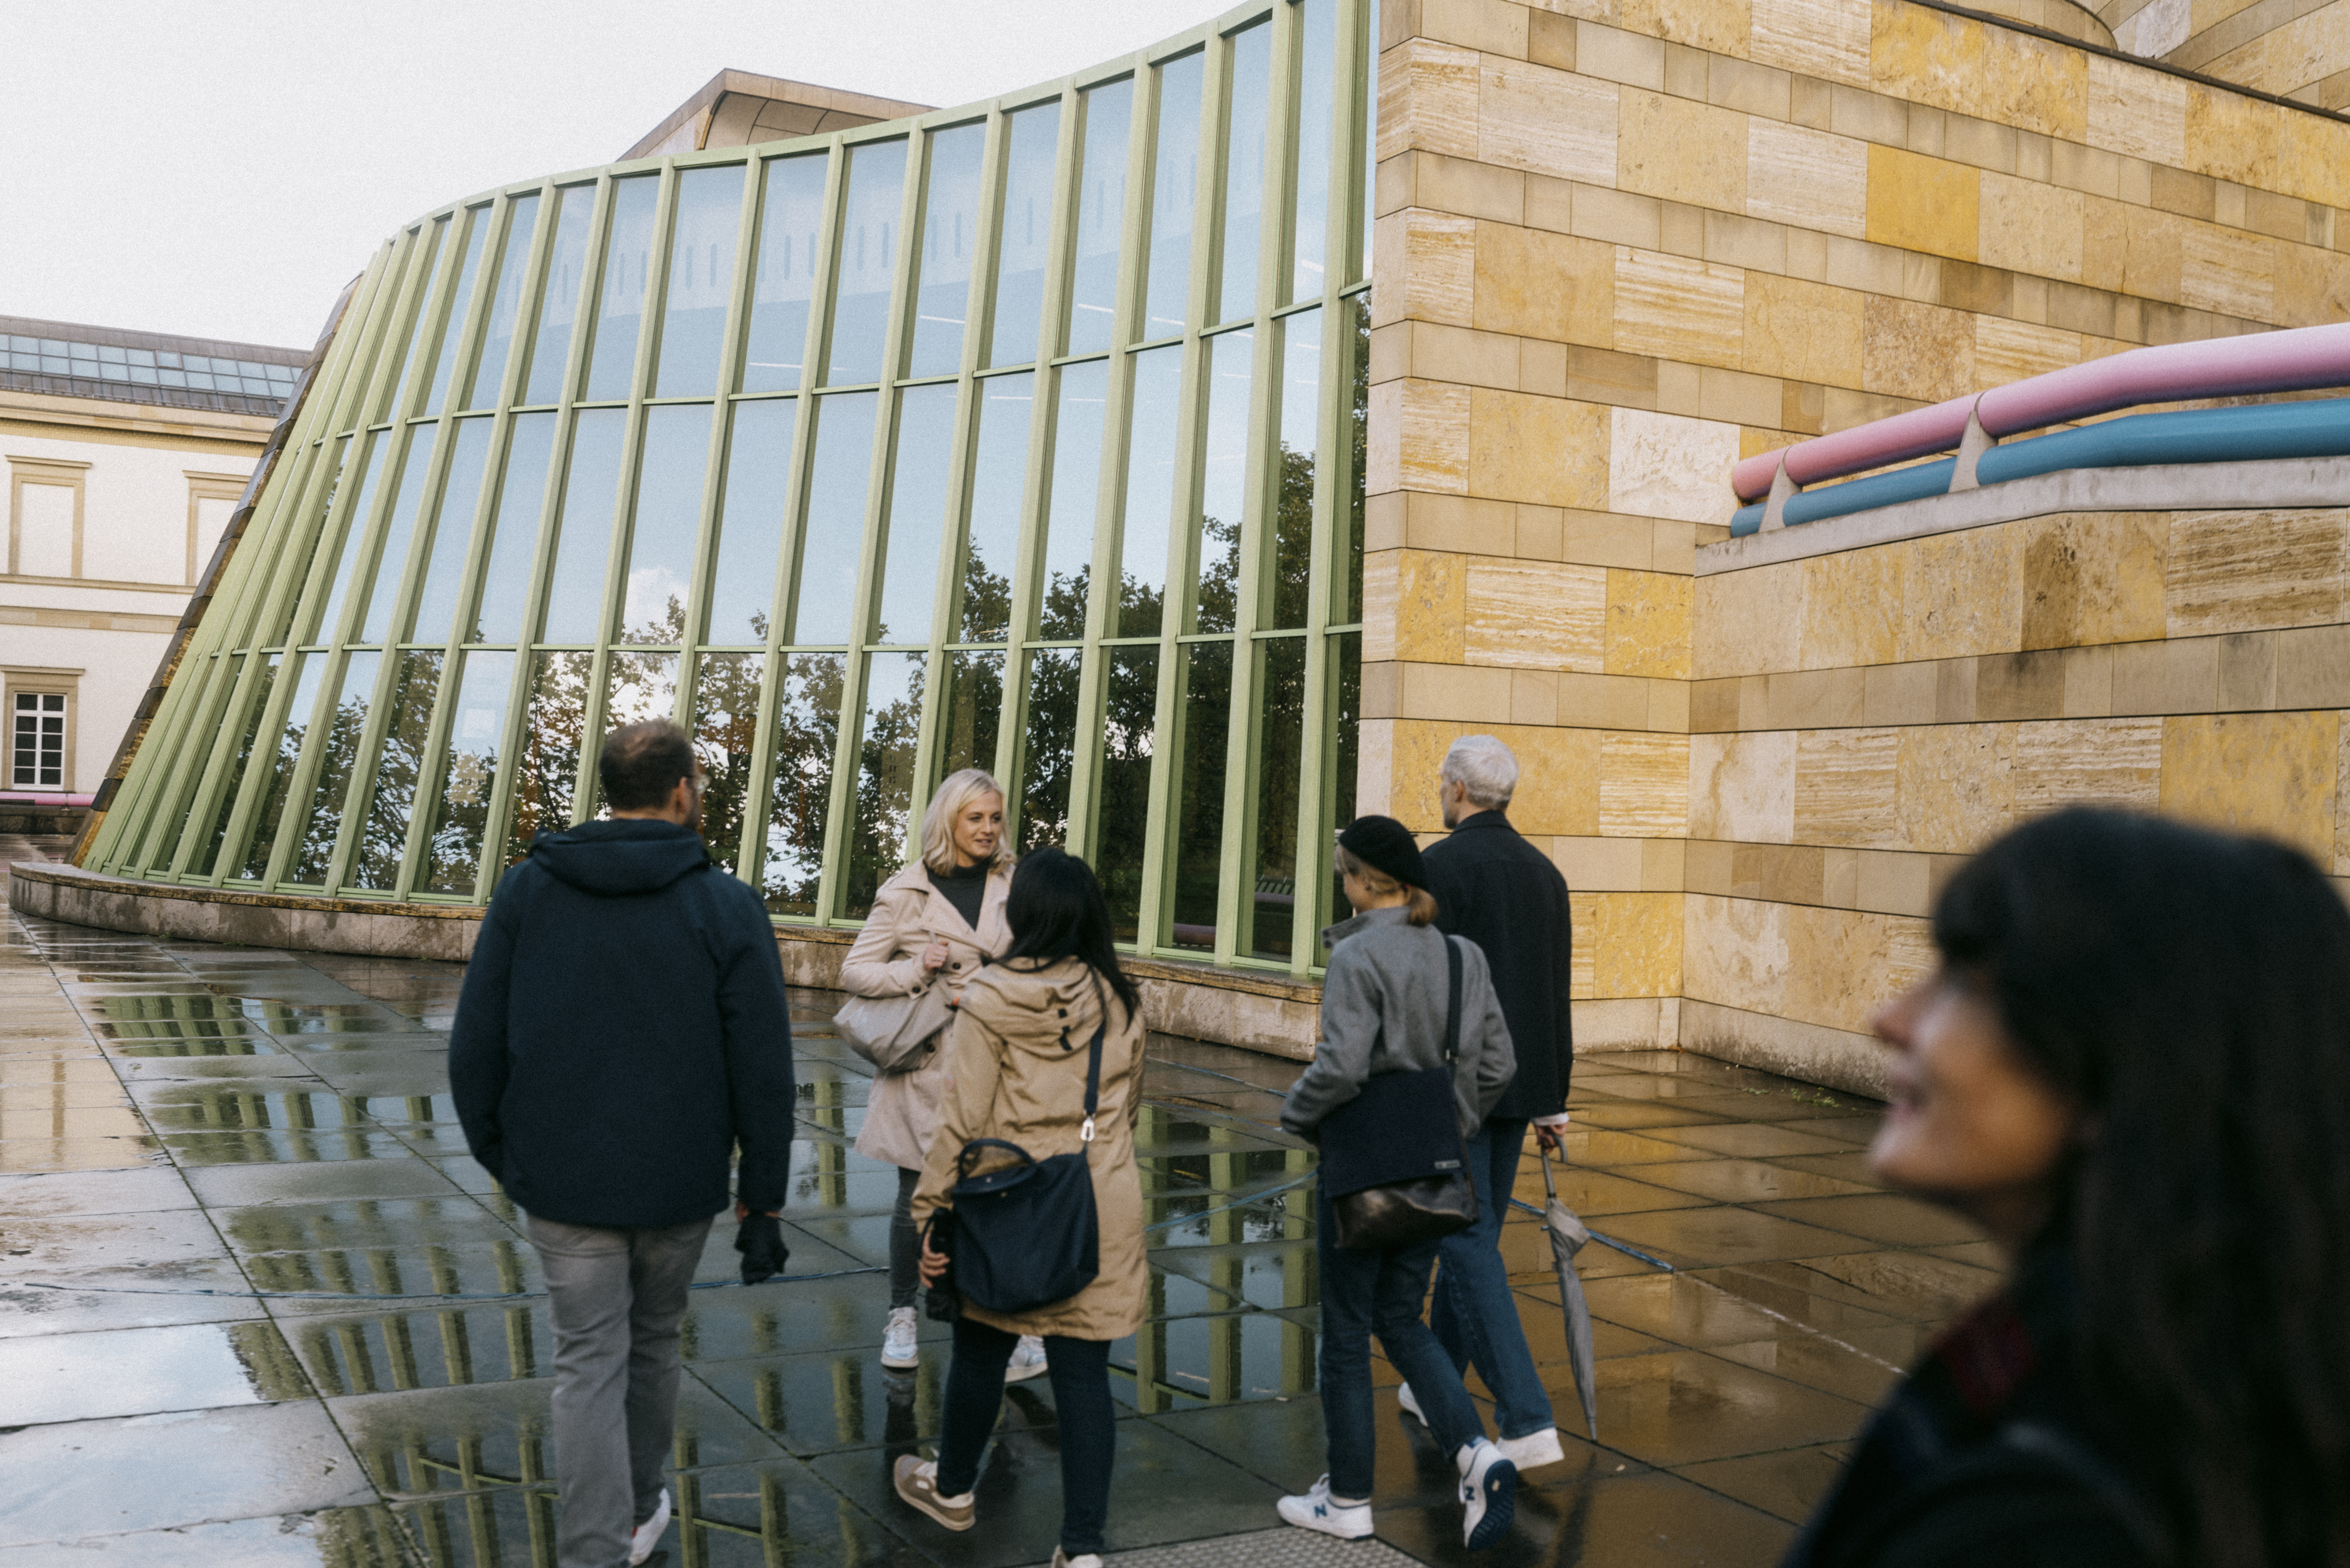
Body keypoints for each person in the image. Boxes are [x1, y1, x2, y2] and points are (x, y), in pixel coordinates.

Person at [1785, 806, 2350, 1567]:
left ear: (2122, 1066)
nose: (1890, 1017)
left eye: (1965, 980)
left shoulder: (2044, 1521)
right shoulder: (2190, 1393)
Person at [449, 720, 795, 1568]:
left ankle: (596, 1550)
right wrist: (766, 1190)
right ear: (684, 791)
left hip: (562, 1181)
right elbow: (764, 1065)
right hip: (679, 1181)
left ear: (608, 790)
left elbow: (473, 1045)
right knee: (653, 1341)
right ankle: (642, 1508)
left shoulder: (529, 889)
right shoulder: (727, 902)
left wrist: (508, 1154)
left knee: (586, 1361)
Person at [891, 847, 1149, 1568]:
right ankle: (1085, 1547)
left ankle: (952, 1491)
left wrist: (930, 1216)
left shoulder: (990, 997)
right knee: (1084, 1374)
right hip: (1100, 1198)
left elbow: (962, 1119)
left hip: (1008, 1199)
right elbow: (1128, 1107)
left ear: (1024, 913)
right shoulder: (1123, 999)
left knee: (981, 1350)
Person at [1278, 815, 1522, 1552]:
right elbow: (1499, 1065)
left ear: (1358, 880)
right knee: (1404, 1319)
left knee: (1348, 1333)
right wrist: (1453, 1124)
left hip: (1360, 1172)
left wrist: (1293, 1113)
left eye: (1341, 873)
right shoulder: (1462, 955)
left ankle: (1349, 1497)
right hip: (1434, 1167)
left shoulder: (1357, 960)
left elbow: (1344, 1067)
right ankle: (1478, 1454)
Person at [839, 770, 1043, 1382]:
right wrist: (914, 974)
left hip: (1001, 1060)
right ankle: (902, 1316)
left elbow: (1042, 961)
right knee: (915, 1196)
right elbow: (856, 972)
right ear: (948, 822)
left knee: (1003, 1192)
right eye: (974, 818)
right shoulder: (906, 893)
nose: (987, 830)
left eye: (995, 818)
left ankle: (1014, 1323)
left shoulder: (1017, 884)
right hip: (929, 1061)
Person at [1408, 734, 1574, 1469]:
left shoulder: (1439, 867)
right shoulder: (1545, 874)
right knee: (1471, 1240)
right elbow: (1553, 992)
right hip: (1521, 1086)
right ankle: (1434, 1383)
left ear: (1457, 790)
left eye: (1444, 784)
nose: (1441, 793)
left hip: (1459, 1087)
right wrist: (1553, 1100)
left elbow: (1421, 989)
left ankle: (1528, 1417)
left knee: (1465, 1244)